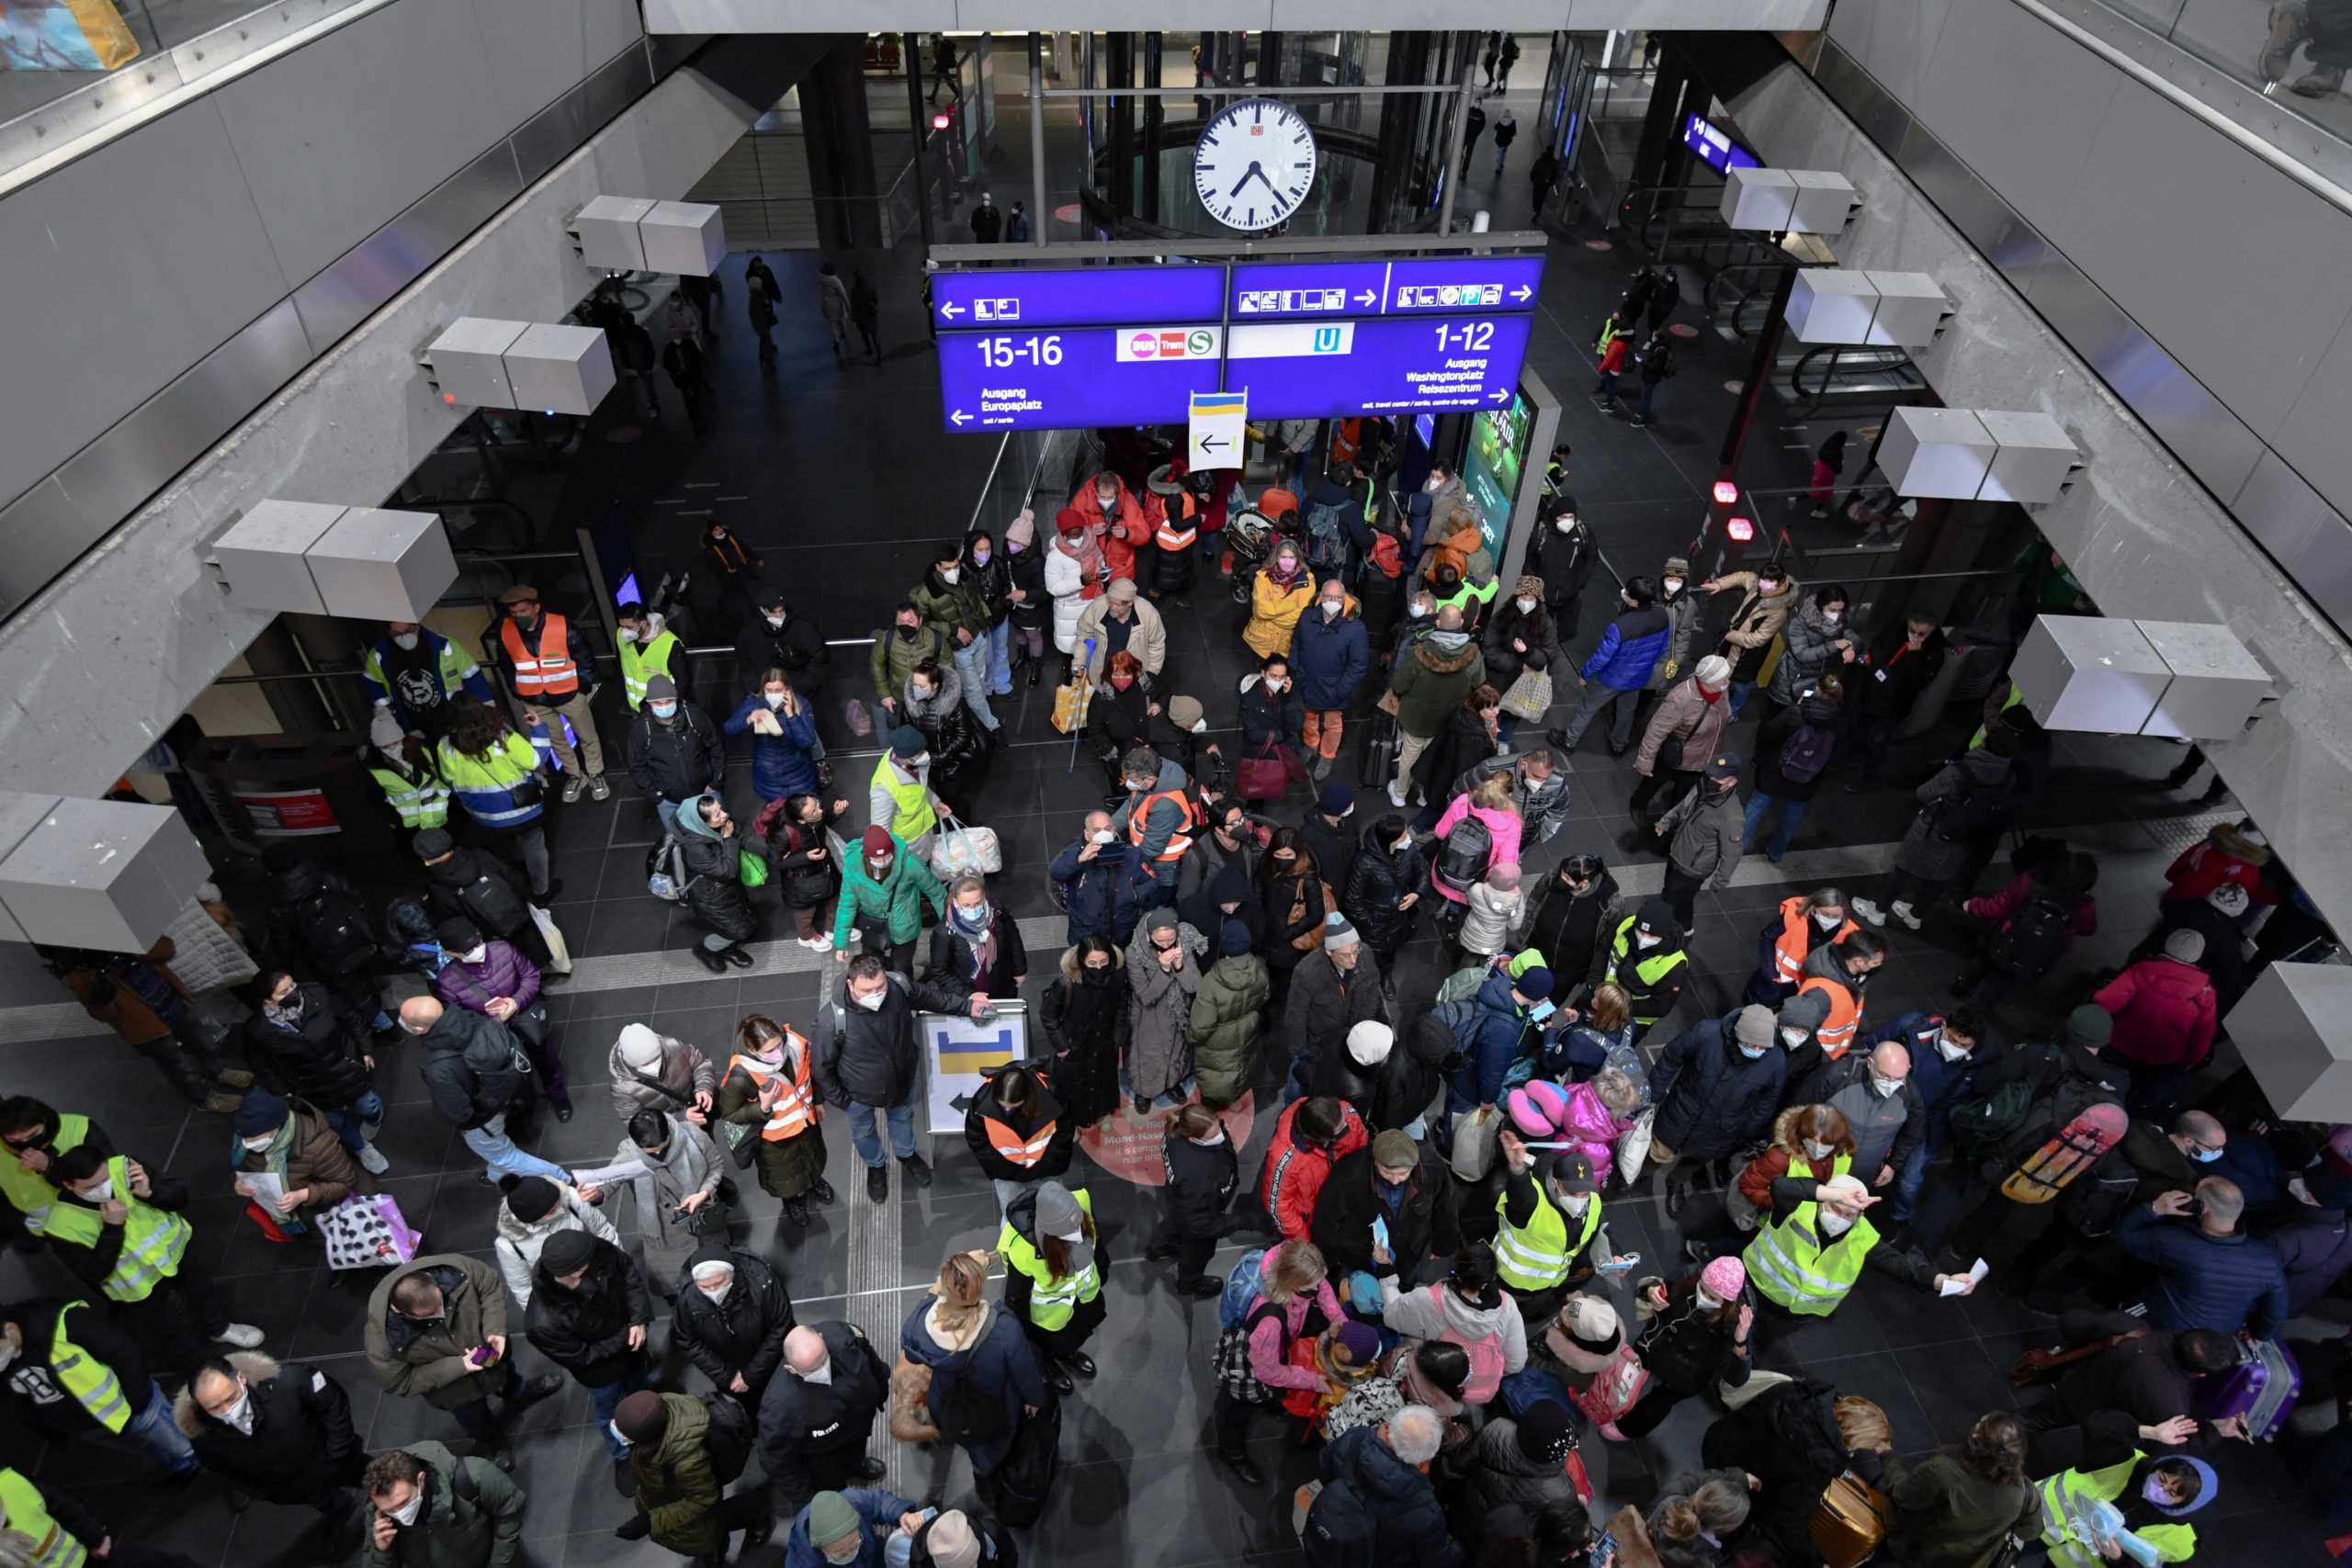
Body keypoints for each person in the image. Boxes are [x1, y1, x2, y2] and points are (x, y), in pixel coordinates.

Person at [44, 1144, 260, 1371]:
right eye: (92, 1186)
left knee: (202, 1290)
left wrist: (150, 1193)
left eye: (105, 1178)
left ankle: (219, 1329)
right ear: (68, 1185)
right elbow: (93, 1272)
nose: (105, 1188)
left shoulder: (127, 1168)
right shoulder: (60, 1225)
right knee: (170, 1327)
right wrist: (112, 1229)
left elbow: (179, 1196)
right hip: (139, 1283)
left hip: (174, 1251)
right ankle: (203, 1370)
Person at [366, 1255, 560, 1467]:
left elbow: (488, 1284)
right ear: (400, 1312)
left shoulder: (455, 1270)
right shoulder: (384, 1340)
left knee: (506, 1374)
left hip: (489, 1353)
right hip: (454, 1388)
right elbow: (400, 1382)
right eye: (430, 1314)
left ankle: (518, 1392)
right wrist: (460, 1365)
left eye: (441, 1302)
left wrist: (494, 1329)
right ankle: (493, 1440)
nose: (441, 1312)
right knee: (474, 1417)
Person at [894, 1250, 1051, 1508]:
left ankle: (981, 1472)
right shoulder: (1003, 1329)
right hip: (996, 1405)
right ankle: (987, 1476)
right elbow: (1024, 1373)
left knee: (971, 1440)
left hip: (945, 1404)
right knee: (994, 1443)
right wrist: (1035, 1399)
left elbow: (912, 1346)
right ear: (979, 1289)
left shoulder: (919, 1326)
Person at [819, 955, 973, 1201]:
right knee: (863, 1132)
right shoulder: (832, 1019)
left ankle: (906, 1154)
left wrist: (967, 1006)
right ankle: (876, 1166)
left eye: (880, 987)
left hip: (901, 1079)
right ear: (850, 985)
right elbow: (822, 1067)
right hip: (858, 1092)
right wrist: (845, 1102)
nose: (876, 993)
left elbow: (931, 998)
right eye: (867, 990)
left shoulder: (899, 986)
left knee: (902, 1118)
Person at [0, 1294, 198, 1478]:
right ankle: (181, 1465)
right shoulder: (5, 1364)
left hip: (133, 1407)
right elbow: (20, 1404)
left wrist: (138, 1403)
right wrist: (53, 1432)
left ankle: (200, 1461)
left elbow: (122, 1351)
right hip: (90, 1426)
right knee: (149, 1447)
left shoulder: (63, 1322)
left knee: (181, 1443)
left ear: (8, 1329)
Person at [1852, 728, 2021, 931]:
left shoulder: (1962, 769)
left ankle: (1878, 911)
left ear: (1985, 745)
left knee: (1904, 869)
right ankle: (1915, 915)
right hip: (1967, 834)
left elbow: (1924, 792)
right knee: (1940, 878)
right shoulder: (2008, 776)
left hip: (1934, 827)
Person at [525, 1228, 653, 1493]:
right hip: (601, 1373)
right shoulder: (543, 1321)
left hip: (633, 1345)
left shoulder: (593, 1250)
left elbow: (629, 1274)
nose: (597, 1261)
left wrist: (638, 1319)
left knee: (641, 1386)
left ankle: (650, 1420)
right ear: (572, 1273)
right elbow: (582, 1356)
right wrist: (625, 1336)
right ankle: (622, 1456)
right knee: (611, 1411)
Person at [1213, 1240, 1345, 1484]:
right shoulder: (1270, 1323)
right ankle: (1232, 1452)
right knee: (1240, 1409)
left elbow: (1323, 1288)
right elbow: (1267, 1372)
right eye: (1311, 1286)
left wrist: (1337, 1318)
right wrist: (1311, 1381)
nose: (1319, 1288)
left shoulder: (1291, 1260)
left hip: (1277, 1342)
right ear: (1292, 1284)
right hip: (1255, 1366)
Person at [398, 996, 568, 1185]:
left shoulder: (437, 1067)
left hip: (484, 1117)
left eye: (405, 1021)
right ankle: (496, 1174)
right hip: (509, 1092)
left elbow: (459, 1114)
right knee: (496, 1152)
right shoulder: (471, 1017)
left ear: (419, 1029)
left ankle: (564, 1178)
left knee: (506, 1156)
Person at [177, 1350, 365, 1521]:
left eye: (230, 1398)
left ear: (241, 1378)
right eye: (215, 1407)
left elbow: (333, 1405)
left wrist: (337, 1452)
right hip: (297, 1486)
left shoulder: (289, 1382)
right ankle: (347, 1513)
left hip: (334, 1455)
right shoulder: (204, 1438)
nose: (227, 1411)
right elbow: (228, 1473)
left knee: (370, 1476)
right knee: (333, 1504)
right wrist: (271, 1494)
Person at [1649, 1003, 1789, 1218]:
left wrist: (1747, 1130)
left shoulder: (1775, 1061)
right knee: (1659, 1149)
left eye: (1763, 1049)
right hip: (1682, 1110)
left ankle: (1676, 1181)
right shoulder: (1707, 1033)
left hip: (1722, 1128)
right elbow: (1672, 1056)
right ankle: (1645, 1173)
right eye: (1752, 1045)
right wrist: (1655, 1091)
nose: (1758, 1052)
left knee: (1696, 1159)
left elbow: (1766, 1102)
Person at [244, 969, 389, 1173]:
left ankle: (374, 1119)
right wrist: (282, 1089)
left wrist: (365, 1049)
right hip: (310, 1085)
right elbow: (260, 1064)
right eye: (284, 991)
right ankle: (362, 1148)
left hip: (346, 1067)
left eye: (293, 985)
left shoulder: (319, 995)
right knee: (336, 1121)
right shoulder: (258, 1029)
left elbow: (351, 1018)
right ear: (268, 1000)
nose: (293, 992)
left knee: (368, 1104)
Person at [2030, 1410, 2216, 1566]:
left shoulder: (2181, 1541)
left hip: (2065, 1562)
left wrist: (2117, 1558)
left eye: (2171, 1493)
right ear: (2157, 1467)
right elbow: (2096, 1424)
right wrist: (2150, 1432)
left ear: (2184, 1505)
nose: (2159, 1489)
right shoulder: (2126, 1461)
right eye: (2161, 1478)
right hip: (2032, 1513)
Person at [610, 1389, 771, 1563]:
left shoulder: (687, 1463)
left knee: (715, 1525)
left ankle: (751, 1517)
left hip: (692, 1501)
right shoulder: (662, 1409)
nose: (617, 1432)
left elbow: (702, 1500)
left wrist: (651, 1521)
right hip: (671, 1493)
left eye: (622, 1433)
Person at [431, 916, 566, 1122]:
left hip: (526, 1022)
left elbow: (530, 975)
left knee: (545, 1059)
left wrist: (516, 1002)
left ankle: (557, 1094)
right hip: (495, 1038)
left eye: (478, 943)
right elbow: (459, 1022)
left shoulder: (504, 949)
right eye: (468, 950)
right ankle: (524, 1104)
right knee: (511, 1074)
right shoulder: (447, 982)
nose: (477, 950)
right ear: (450, 953)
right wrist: (491, 1019)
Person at [2116, 1178, 2289, 1337]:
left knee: (2125, 1312)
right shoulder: (2268, 1259)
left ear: (2201, 1207)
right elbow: (2276, 1312)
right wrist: (2261, 1336)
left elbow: (2125, 1236)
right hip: (2214, 1340)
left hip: (2159, 1325)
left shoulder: (2174, 1241)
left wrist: (2155, 1208)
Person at [759, 1321, 890, 1516]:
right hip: (826, 1453)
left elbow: (871, 1362)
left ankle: (857, 1465)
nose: (823, 1369)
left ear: (821, 1337)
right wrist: (807, 1501)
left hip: (858, 1427)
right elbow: (777, 1461)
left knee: (856, 1454)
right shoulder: (780, 1408)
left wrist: (880, 1394)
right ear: (791, 1369)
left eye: (823, 1359)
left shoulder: (843, 1338)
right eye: (813, 1369)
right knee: (833, 1485)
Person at [491, 583, 608, 802]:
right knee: (557, 741)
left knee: (587, 736)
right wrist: (517, 692)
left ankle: (595, 773)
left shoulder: (561, 625)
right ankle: (575, 775)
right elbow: (506, 665)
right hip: (535, 700)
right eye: (513, 613)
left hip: (570, 694)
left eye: (523, 611)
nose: (518, 616)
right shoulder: (505, 631)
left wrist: (582, 687)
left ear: (536, 608)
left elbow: (583, 655)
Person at [1309, 1404, 1464, 1568]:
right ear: (1423, 1464)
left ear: (1389, 1428)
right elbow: (1440, 1561)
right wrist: (1460, 1549)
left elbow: (1324, 1466)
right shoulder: (1425, 1511)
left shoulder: (1354, 1438)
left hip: (1331, 1534)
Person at [258, 844, 390, 1032]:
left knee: (358, 995)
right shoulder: (324, 876)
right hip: (359, 940)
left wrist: (285, 969)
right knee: (364, 979)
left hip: (330, 958)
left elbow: (283, 943)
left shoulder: (279, 902)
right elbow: (358, 900)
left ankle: (386, 1028)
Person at [437, 703, 559, 903]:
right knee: (534, 845)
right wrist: (539, 728)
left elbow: (449, 779)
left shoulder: (445, 746)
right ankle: (541, 891)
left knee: (508, 839)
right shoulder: (503, 736)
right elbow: (536, 761)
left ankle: (519, 865)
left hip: (484, 815)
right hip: (522, 811)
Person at [996, 1179, 1106, 1396]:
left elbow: (1097, 1246)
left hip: (1080, 1300)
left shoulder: (1081, 1205)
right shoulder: (1025, 1252)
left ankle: (1068, 1353)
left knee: (1073, 1334)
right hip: (1046, 1318)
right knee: (1044, 1342)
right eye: (1069, 1233)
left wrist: (1101, 1274)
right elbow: (1017, 1297)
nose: (1078, 1234)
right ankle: (1047, 1363)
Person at [2094, 931, 2220, 1115]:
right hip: (2161, 1062)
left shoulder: (2141, 970)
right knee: (2126, 1103)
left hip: (2119, 1045)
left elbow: (2104, 1001)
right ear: (2197, 956)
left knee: (2097, 1087)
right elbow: (2202, 1038)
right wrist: (2183, 1063)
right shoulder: (2205, 992)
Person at [612, 1107, 724, 1297]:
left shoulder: (692, 1135)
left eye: (662, 1149)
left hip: (703, 1217)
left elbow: (716, 1166)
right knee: (674, 1281)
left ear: (670, 1132)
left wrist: (703, 1193)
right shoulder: (629, 1154)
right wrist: (595, 1193)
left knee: (715, 1270)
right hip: (664, 1230)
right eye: (651, 1153)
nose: (658, 1156)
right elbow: (609, 1181)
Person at [358, 1444, 526, 1568]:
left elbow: (510, 1511)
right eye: (390, 1509)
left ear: (421, 1480)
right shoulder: (377, 1512)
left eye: (403, 1502)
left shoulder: (474, 1475)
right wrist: (382, 1551)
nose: (399, 1513)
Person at [1555, 577, 1670, 755]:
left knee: (1587, 708)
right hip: (1638, 677)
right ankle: (1619, 745)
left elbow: (1602, 657)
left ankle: (1569, 741)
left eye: (1628, 593)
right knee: (1626, 713)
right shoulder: (1662, 615)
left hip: (1612, 679)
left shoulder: (1619, 627)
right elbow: (1663, 649)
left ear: (1634, 601)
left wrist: (1585, 673)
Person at [674, 1241, 796, 1410]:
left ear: (732, 1273)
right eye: (705, 1287)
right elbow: (687, 1340)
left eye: (718, 1283)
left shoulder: (762, 1283)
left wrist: (751, 1375)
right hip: (729, 1376)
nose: (713, 1291)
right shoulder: (688, 1297)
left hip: (771, 1365)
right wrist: (727, 1376)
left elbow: (781, 1326)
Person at [1385, 604, 1487, 806]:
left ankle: (1400, 793)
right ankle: (1424, 795)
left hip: (1416, 718)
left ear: (1438, 623)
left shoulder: (1419, 651)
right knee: (1435, 759)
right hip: (1449, 720)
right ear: (1460, 623)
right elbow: (1480, 685)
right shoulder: (1473, 655)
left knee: (1409, 756)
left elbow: (1399, 684)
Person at [415, 827, 556, 970]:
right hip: (518, 917)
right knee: (535, 953)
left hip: (490, 936)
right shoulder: (479, 855)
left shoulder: (437, 886)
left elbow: (454, 922)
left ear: (425, 858)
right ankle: (542, 969)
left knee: (511, 966)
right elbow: (514, 879)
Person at [230, 1086, 367, 1231]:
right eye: (245, 1138)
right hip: (279, 1207)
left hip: (317, 1211)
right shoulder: (247, 1137)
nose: (248, 1144)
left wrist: (304, 1195)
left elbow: (346, 1183)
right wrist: (239, 1182)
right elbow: (243, 1169)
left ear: (277, 1127)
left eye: (255, 1138)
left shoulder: (319, 1145)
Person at [1743, 673, 1843, 862]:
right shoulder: (1839, 722)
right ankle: (1776, 852)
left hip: (1776, 771)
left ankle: (1738, 845)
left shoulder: (1796, 712)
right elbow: (1837, 755)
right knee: (1793, 816)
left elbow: (1769, 732)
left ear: (1818, 690)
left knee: (1757, 806)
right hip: (1807, 779)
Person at [1847, 612, 1947, 785]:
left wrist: (1915, 656)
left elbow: (1920, 682)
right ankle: (1853, 761)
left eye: (1922, 634)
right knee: (1858, 728)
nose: (1915, 636)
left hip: (1895, 705)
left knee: (1878, 741)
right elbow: (1876, 649)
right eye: (1912, 630)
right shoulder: (1894, 632)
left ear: (1932, 630)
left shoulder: (1934, 650)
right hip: (1871, 693)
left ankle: (1863, 776)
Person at [834, 825, 947, 976]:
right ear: (866, 855)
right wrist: (841, 943)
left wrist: (948, 927)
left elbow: (937, 893)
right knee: (871, 969)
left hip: (905, 926)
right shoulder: (853, 868)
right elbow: (847, 905)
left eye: (887, 855)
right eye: (877, 858)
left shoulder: (910, 864)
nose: (882, 860)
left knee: (901, 970)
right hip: (874, 927)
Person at [965, 1062, 1074, 1217]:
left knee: (1056, 1214)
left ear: (1028, 1095)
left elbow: (1064, 1132)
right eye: (1003, 1105)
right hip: (1008, 1175)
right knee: (1013, 1217)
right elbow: (976, 1137)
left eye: (1014, 1106)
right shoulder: (982, 1101)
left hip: (1046, 1169)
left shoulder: (1051, 1093)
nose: (1007, 1110)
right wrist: (1001, 1169)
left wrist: (1050, 1163)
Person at [1152, 1103, 1238, 1301]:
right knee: (1196, 1254)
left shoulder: (1178, 1129)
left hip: (1178, 1201)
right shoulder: (1199, 1173)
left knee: (1173, 1225)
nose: (1221, 1135)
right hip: (1199, 1213)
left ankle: (1159, 1248)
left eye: (1218, 1127)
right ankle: (1190, 1283)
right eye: (1213, 1134)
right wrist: (1241, 1221)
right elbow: (1201, 1224)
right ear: (1194, 1138)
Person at [1125, 907, 1206, 1114]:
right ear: (1149, 935)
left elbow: (1194, 986)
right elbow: (1146, 997)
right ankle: (1144, 1092)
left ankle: (1172, 1084)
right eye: (1160, 940)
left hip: (1178, 1014)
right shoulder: (1134, 952)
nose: (1166, 945)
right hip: (1149, 1018)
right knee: (1149, 1056)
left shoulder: (1183, 944)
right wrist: (1163, 970)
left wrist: (1180, 967)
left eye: (1170, 938)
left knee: (1176, 1053)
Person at [1042, 936, 1128, 1128]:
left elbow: (1122, 1007)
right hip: (1075, 1045)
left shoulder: (1117, 977)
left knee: (1103, 1082)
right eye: (1092, 963)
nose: (1099, 967)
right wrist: (1063, 1047)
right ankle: (1072, 1122)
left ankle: (1101, 1114)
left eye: (1103, 962)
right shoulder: (1066, 983)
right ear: (1081, 961)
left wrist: (1118, 1037)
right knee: (1074, 1087)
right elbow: (1049, 1016)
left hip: (1105, 1044)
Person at [1655, 752, 1744, 931]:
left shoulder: (1731, 816)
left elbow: (1732, 853)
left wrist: (1720, 880)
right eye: (1710, 773)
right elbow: (1683, 806)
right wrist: (1666, 821)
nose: (1710, 778)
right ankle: (1664, 914)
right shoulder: (1701, 787)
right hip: (1677, 852)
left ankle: (1685, 931)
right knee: (1669, 891)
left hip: (1694, 869)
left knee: (1681, 903)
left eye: (1717, 777)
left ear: (1731, 782)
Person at [1294, 578, 1370, 781]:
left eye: (1337, 597)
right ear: (1320, 597)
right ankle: (1310, 744)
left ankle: (1327, 755)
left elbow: (1358, 666)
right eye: (1328, 596)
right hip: (1308, 682)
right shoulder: (1307, 616)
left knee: (1333, 724)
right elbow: (1296, 644)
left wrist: (1341, 690)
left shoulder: (1355, 628)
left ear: (1344, 599)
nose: (1332, 601)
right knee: (1309, 717)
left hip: (1334, 688)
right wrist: (1296, 671)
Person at [1698, 564, 1799, 716]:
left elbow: (1758, 639)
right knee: (1724, 672)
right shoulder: (1757, 586)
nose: (1763, 586)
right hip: (1734, 640)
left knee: (1741, 683)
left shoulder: (1779, 610)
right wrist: (1720, 584)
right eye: (1762, 581)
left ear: (1780, 583)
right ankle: (1714, 702)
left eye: (1769, 583)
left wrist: (1728, 634)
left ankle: (1734, 712)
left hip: (1750, 653)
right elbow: (1742, 576)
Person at [363, 619, 493, 737]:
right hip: (413, 727)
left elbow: (473, 677)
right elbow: (374, 685)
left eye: (409, 631)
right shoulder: (379, 655)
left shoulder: (444, 645)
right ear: (389, 632)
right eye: (396, 634)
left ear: (417, 626)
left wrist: (488, 711)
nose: (404, 637)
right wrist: (389, 717)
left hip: (453, 718)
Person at [755, 792, 850, 953]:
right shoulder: (783, 835)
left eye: (818, 805)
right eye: (814, 812)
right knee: (804, 909)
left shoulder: (814, 817)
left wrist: (835, 813)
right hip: (801, 878)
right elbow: (776, 862)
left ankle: (832, 928)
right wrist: (806, 857)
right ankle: (806, 935)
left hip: (824, 867)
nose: (820, 811)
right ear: (800, 820)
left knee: (834, 894)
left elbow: (824, 819)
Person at [1190, 919, 1269, 1110]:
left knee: (1215, 1077)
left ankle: (1210, 1108)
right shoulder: (1260, 969)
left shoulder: (1211, 982)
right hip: (1247, 1034)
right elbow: (1265, 997)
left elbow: (1200, 1027)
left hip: (1217, 1044)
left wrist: (1190, 1037)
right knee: (1240, 1068)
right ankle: (1233, 1101)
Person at [1590, 896, 1692, 1041]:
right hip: (1600, 997)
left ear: (1665, 935)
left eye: (1651, 935)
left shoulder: (1675, 965)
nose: (1644, 938)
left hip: (1631, 1019)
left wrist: (1615, 1005)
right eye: (1641, 932)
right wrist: (1595, 983)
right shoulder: (1626, 924)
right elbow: (1603, 951)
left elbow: (1660, 1007)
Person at [1747, 886, 1856, 1010]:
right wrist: (1770, 972)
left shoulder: (1850, 936)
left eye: (1835, 916)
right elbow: (1768, 936)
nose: (1829, 920)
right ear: (1813, 908)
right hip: (1777, 979)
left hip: (1806, 988)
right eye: (1825, 914)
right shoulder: (1794, 917)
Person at [725, 668, 821, 807]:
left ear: (787, 689)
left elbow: (807, 742)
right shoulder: (755, 703)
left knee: (803, 813)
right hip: (768, 776)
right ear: (763, 689)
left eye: (778, 690)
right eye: (769, 690)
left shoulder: (801, 704)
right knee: (776, 815)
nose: (773, 694)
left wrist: (790, 714)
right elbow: (728, 728)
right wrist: (748, 719)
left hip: (798, 775)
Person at [1794, 928, 1889, 1063]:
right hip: (1822, 1053)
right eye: (1875, 962)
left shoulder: (1857, 974)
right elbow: (1803, 1032)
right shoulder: (1820, 993)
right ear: (1858, 961)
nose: (1879, 965)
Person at [609, 1022, 718, 1129]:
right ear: (632, 1064)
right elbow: (638, 1124)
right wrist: (681, 1119)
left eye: (657, 1057)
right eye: (646, 1064)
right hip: (676, 1131)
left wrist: (704, 1088)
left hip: (696, 1101)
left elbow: (701, 1063)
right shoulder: (622, 1088)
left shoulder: (672, 1046)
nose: (654, 1065)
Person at [364, 708, 454, 834]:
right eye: (385, 747)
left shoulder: (421, 751)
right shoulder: (375, 770)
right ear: (378, 748)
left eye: (395, 743)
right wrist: (395, 822)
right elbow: (377, 803)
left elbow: (440, 778)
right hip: (410, 828)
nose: (392, 749)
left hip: (443, 817)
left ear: (402, 738)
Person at [870, 723, 949, 863]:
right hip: (908, 843)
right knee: (917, 872)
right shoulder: (884, 787)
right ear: (905, 756)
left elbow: (920, 787)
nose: (924, 755)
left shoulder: (914, 760)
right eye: (918, 754)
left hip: (926, 828)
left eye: (923, 750)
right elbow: (880, 829)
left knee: (928, 863)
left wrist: (935, 802)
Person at [1073, 575, 1170, 683]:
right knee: (1102, 699)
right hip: (1102, 674)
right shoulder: (1097, 606)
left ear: (1129, 604)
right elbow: (1083, 636)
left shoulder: (1149, 614)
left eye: (1117, 604)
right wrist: (1078, 663)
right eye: (1110, 602)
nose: (1112, 607)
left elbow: (1157, 646)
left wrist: (1150, 676)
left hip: (1134, 679)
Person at [1243, 539, 1317, 661]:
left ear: (1298, 559)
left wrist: (1273, 612)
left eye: (1292, 558)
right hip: (1260, 642)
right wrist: (1291, 605)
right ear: (1276, 557)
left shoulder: (1307, 580)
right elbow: (1260, 611)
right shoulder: (1263, 577)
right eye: (1283, 557)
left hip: (1286, 646)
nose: (1287, 562)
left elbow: (1299, 616)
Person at [661, 321, 708, 426]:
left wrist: (697, 369)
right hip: (681, 376)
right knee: (686, 395)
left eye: (677, 332)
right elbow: (666, 364)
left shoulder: (689, 343)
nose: (676, 335)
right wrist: (675, 372)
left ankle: (696, 407)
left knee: (696, 392)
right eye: (674, 333)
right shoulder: (669, 349)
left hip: (691, 373)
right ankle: (693, 415)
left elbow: (698, 358)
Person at [1628, 328, 1676, 426]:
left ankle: (1643, 418)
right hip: (1650, 376)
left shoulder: (1660, 351)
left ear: (1657, 338)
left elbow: (1655, 367)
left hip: (1651, 377)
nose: (1652, 337)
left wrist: (1641, 361)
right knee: (1644, 396)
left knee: (1646, 398)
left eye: (1653, 336)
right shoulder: (1657, 347)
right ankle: (1641, 412)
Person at [848, 268, 882, 362]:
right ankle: (879, 355)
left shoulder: (854, 290)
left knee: (864, 334)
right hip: (871, 314)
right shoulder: (870, 286)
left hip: (861, 316)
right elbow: (876, 299)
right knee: (874, 335)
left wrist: (853, 316)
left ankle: (869, 350)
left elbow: (853, 304)